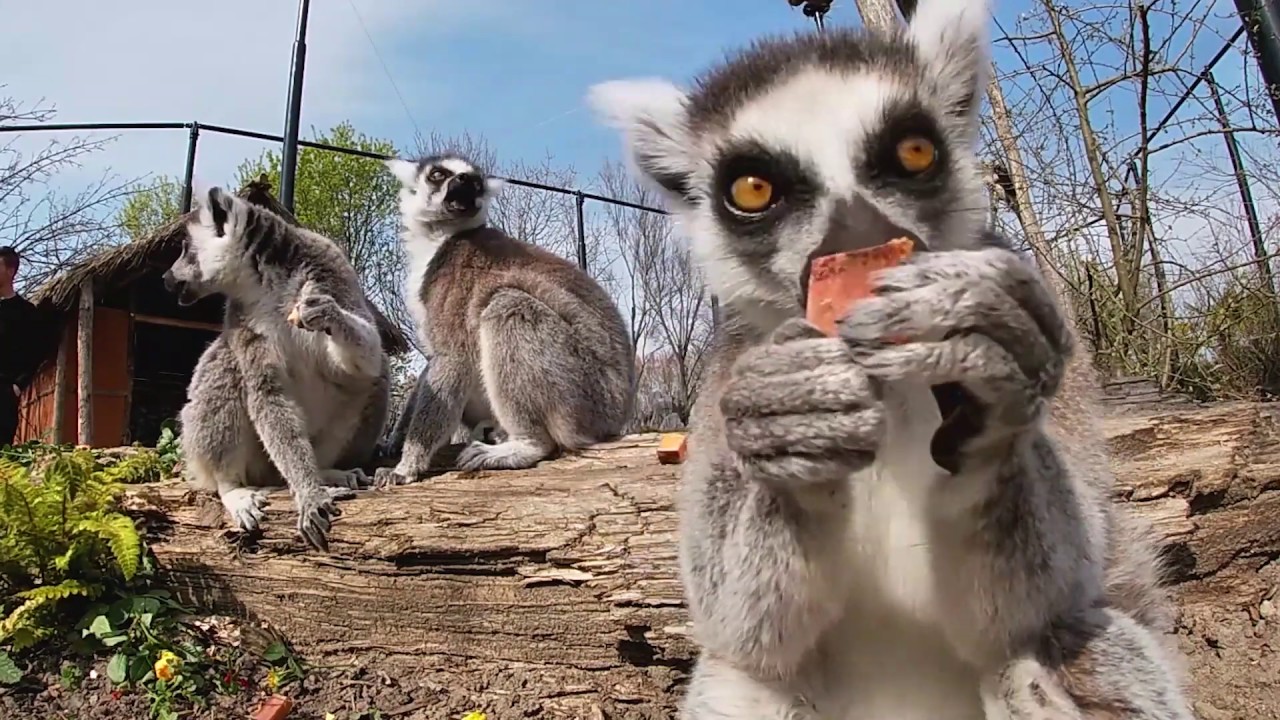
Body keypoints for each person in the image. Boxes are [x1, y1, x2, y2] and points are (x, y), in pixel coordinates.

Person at [0, 246, 40, 447]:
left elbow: (35, 352)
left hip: (4, 393)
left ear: (10, 271)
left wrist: (17, 386)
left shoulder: (25, 313)